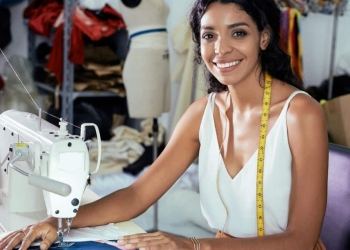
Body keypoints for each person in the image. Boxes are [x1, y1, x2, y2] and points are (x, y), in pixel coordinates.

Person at [0, 0, 328, 249]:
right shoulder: (202, 113)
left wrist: (193, 244)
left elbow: (300, 239)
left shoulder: (300, 114)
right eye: (209, 35)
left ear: (264, 38)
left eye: (238, 32)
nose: (221, 48)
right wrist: (60, 221)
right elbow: (138, 194)